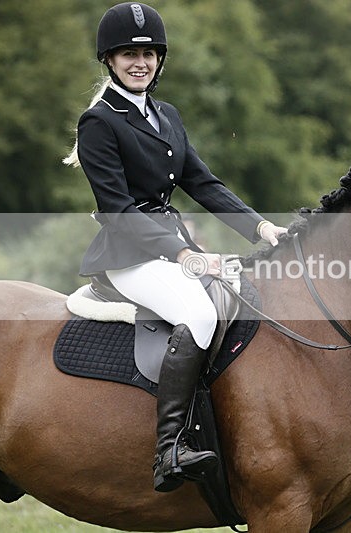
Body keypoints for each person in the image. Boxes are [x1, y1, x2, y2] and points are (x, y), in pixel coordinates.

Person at [63, 2, 287, 493]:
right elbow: (119, 210)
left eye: (147, 53)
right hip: (129, 253)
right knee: (200, 315)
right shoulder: (99, 121)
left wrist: (261, 228)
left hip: (170, 246)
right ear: (109, 60)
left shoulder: (167, 115)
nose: (139, 62)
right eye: (127, 54)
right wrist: (183, 254)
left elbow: (202, 183)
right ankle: (169, 449)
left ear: (160, 59)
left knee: (246, 297)